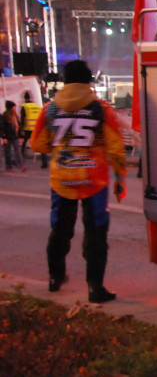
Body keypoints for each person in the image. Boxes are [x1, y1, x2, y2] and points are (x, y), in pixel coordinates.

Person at [30, 59, 127, 303]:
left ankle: (55, 278)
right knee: (96, 233)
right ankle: (95, 287)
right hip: (93, 181)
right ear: (88, 81)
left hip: (62, 180)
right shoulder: (100, 109)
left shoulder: (50, 109)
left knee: (60, 230)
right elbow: (116, 147)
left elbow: (37, 143)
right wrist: (120, 176)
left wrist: (61, 147)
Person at [19, 90, 46, 167]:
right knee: (40, 145)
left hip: (28, 128)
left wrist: (21, 129)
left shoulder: (24, 106)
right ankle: (44, 163)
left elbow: (23, 119)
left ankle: (21, 160)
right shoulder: (37, 106)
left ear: (25, 98)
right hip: (37, 128)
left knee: (24, 145)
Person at [3, 100, 26, 171]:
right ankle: (9, 165)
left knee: (18, 151)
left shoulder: (15, 116)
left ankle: (21, 165)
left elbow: (18, 127)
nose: (15, 108)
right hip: (7, 136)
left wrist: (21, 136)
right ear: (11, 108)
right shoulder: (4, 116)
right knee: (8, 152)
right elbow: (2, 127)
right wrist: (3, 137)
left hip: (15, 136)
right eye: (14, 107)